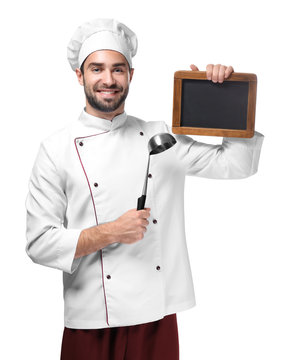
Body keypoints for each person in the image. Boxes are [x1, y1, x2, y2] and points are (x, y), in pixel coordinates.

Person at [25, 18, 264, 360]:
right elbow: (39, 242)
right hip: (90, 316)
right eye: (97, 69)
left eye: (118, 69)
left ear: (130, 75)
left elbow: (238, 165)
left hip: (156, 316)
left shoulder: (160, 137)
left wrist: (228, 96)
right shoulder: (56, 148)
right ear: (80, 75)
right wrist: (110, 232)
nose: (108, 79)